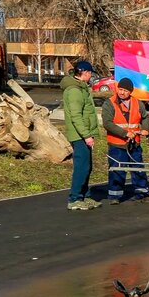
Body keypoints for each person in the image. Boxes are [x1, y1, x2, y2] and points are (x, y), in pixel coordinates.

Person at [103, 78, 149, 203]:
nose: (122, 92)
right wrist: (125, 133)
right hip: (117, 144)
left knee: (138, 168)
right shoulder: (109, 103)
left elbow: (145, 117)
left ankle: (142, 194)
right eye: (120, 89)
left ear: (130, 92)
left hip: (134, 144)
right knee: (117, 170)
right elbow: (107, 123)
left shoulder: (137, 103)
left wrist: (145, 129)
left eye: (125, 90)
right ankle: (115, 196)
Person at [61, 60, 101, 211]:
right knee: (82, 167)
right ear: (84, 72)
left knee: (87, 166)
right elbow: (76, 116)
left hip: (84, 134)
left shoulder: (82, 88)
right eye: (90, 73)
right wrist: (86, 135)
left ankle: (84, 195)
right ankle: (75, 198)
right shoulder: (74, 91)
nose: (91, 76)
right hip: (79, 135)